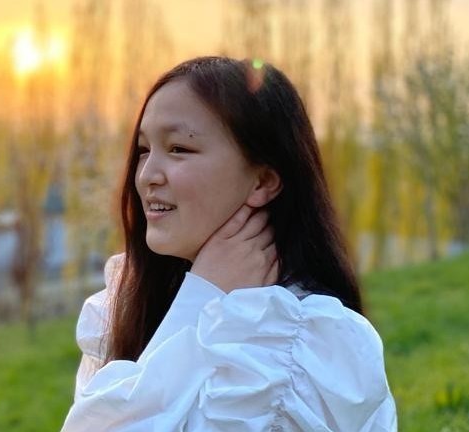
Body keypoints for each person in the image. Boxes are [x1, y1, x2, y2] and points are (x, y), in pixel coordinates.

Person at [62, 56, 397, 431]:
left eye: (179, 149)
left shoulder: (300, 345)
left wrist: (201, 302)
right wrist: (199, 300)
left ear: (263, 181)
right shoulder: (125, 305)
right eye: (144, 149)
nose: (147, 175)